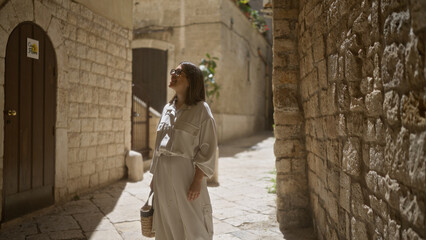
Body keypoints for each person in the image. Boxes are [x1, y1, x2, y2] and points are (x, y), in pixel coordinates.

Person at [149, 61, 217, 240]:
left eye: (178, 72)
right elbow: (158, 147)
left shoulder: (201, 110)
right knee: (167, 220)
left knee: (193, 223)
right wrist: (155, 177)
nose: (173, 74)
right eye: (173, 71)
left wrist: (197, 179)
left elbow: (207, 147)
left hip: (186, 174)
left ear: (190, 80)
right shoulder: (167, 109)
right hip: (162, 174)